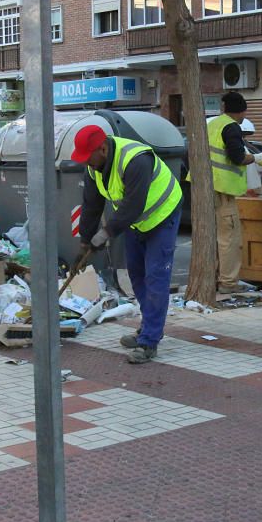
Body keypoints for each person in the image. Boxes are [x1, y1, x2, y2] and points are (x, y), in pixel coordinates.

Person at [73, 124, 183, 364]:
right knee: (137, 275)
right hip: (136, 222)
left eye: (87, 157)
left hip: (162, 214)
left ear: (102, 149)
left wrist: (105, 235)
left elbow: (132, 205)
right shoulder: (93, 168)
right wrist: (84, 243)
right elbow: (91, 206)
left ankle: (150, 342)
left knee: (155, 277)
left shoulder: (136, 160)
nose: (85, 163)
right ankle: (148, 328)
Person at [205, 93, 262, 294]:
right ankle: (228, 283)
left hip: (206, 189)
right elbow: (238, 157)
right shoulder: (231, 127)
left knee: (212, 237)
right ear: (242, 111)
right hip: (222, 190)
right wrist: (257, 158)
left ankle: (212, 279)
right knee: (229, 238)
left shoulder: (212, 125)